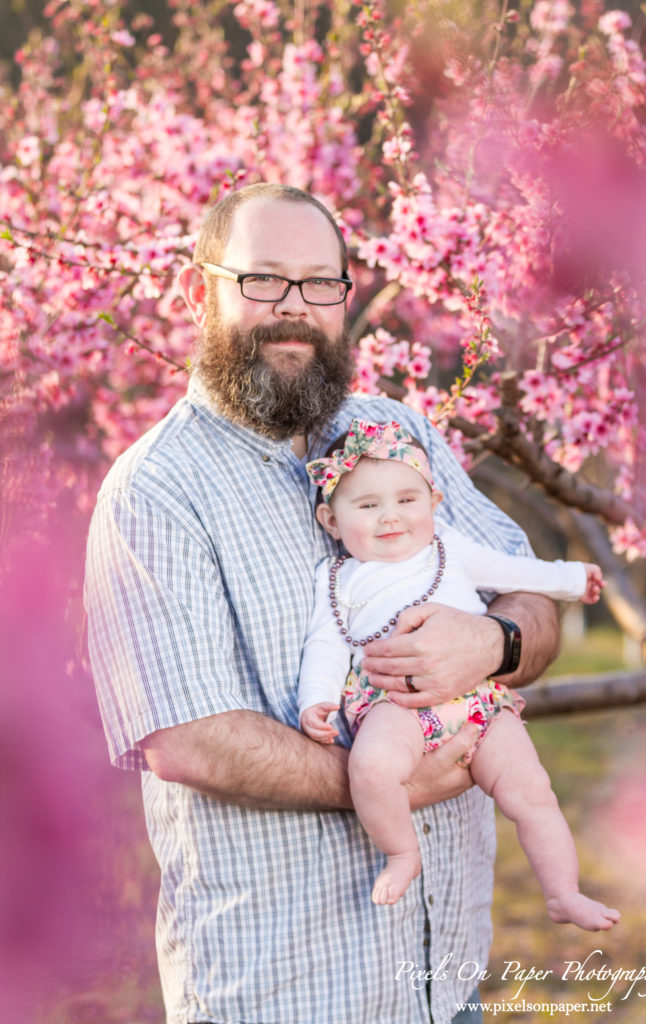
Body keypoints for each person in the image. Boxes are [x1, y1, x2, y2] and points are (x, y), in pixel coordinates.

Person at [85, 182, 562, 1024]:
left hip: (444, 984)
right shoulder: (155, 491)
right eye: (263, 281)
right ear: (200, 291)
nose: (294, 310)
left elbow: (527, 588)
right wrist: (392, 780)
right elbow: (187, 736)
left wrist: (493, 643)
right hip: (284, 992)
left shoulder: (392, 432)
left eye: (319, 284)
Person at [299, 418, 620, 931]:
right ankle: (402, 852)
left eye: (407, 500)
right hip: (394, 706)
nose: (390, 517)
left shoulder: (450, 550)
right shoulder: (337, 579)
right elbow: (326, 642)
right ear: (331, 520)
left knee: (531, 791)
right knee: (372, 769)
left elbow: (518, 572)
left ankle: (563, 891)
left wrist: (571, 578)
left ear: (434, 501)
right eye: (367, 505)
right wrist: (314, 698)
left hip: (478, 701)